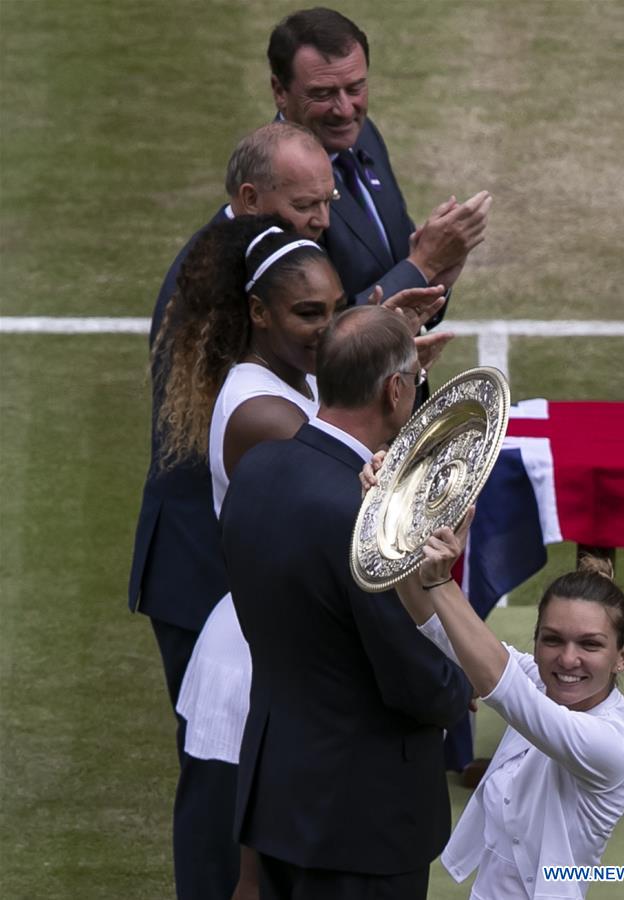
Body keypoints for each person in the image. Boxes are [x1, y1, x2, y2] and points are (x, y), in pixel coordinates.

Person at [127, 122, 341, 899]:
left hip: (240, 571)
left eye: (327, 200)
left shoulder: (260, 269)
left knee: (258, 780)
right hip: (204, 573)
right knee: (219, 786)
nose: (320, 217)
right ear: (251, 201)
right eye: (303, 203)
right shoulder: (213, 286)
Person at [221, 305, 472, 900]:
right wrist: (463, 682)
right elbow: (416, 683)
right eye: (413, 379)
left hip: (276, 802)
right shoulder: (366, 524)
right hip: (360, 827)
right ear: (394, 390)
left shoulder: (258, 469)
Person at [391, 509, 624, 899]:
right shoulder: (538, 680)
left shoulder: (611, 746)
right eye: (552, 639)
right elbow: (437, 627)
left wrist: (442, 581)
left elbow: (500, 684)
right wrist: (392, 518)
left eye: (590, 644)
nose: (567, 660)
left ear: (622, 656)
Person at [267, 7, 493, 309]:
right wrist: (423, 266)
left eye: (355, 88)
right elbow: (323, 336)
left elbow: (398, 258)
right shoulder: (276, 188)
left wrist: (436, 277)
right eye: (323, 94)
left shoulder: (363, 134)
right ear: (280, 91)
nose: (345, 110)